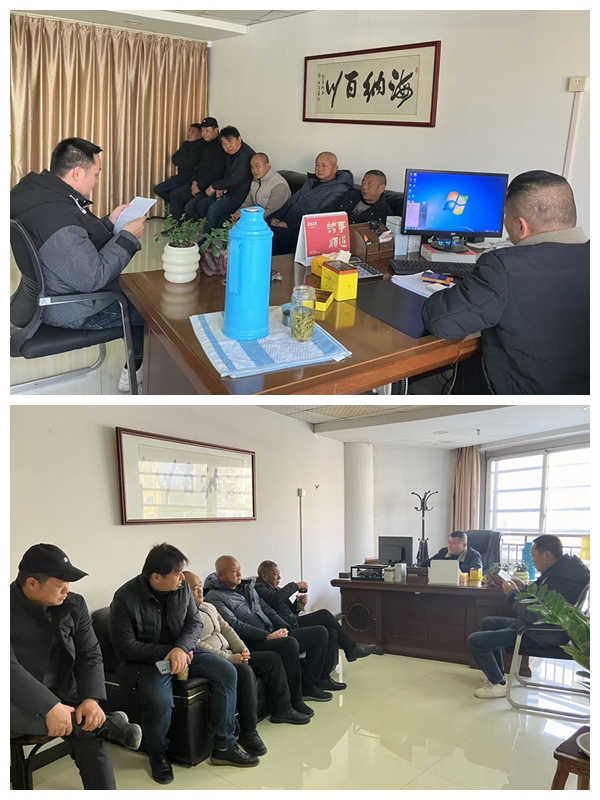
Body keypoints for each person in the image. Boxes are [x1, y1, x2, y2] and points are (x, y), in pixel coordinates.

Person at [421, 170, 590, 395]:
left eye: (506, 217)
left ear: (521, 226)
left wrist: (472, 281)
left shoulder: (504, 267)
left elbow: (440, 321)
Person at [110, 544, 259, 785]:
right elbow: (125, 647)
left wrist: (181, 648)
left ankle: (224, 745)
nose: (182, 579)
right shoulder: (125, 598)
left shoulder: (181, 590)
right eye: (178, 574)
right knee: (160, 700)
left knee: (227, 672)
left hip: (186, 652)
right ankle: (158, 753)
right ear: (156, 577)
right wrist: (170, 652)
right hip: (147, 662)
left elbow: (194, 623)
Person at [10, 137, 147, 393]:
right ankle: (136, 370)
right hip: (72, 307)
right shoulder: (57, 218)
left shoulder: (40, 194)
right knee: (150, 311)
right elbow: (93, 277)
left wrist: (110, 223)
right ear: (76, 173)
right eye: (96, 174)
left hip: (53, 289)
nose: (96, 181)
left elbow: (76, 245)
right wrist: (128, 237)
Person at [11, 544, 143, 790]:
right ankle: (109, 724)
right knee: (87, 726)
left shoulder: (74, 604)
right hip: (15, 699)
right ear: (32, 583)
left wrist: (91, 699)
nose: (67, 590)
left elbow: (89, 654)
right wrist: (50, 706)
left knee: (88, 728)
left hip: (65, 690)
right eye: (60, 585)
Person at [468, 535, 589, 699]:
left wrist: (513, 595)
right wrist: (524, 588)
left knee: (475, 641)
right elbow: (541, 602)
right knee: (489, 622)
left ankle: (498, 684)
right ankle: (497, 675)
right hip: (541, 627)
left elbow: (535, 615)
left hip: (539, 633)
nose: (532, 560)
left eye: (533, 556)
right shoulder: (562, 573)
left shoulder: (560, 582)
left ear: (547, 555)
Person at [184, 572, 310, 729]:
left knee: (272, 659)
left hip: (234, 651)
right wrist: (231, 658)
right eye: (194, 588)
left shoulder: (209, 606)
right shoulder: (188, 613)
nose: (200, 590)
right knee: (246, 669)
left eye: (200, 586)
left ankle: (283, 709)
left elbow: (227, 629)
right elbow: (198, 644)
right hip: (217, 659)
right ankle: (248, 731)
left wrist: (241, 648)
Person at [204, 556, 332, 708]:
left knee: (320, 633)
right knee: (289, 643)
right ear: (221, 575)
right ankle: (295, 700)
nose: (239, 574)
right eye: (234, 571)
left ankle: (309, 685)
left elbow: (267, 609)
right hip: (253, 641)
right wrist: (267, 636)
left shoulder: (248, 587)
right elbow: (235, 625)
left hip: (272, 633)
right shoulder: (214, 597)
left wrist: (285, 627)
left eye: (239, 569)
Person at [255, 561, 377, 691]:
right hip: (286, 627)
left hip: (293, 621)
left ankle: (323, 678)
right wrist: (294, 585)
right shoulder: (259, 588)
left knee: (331, 631)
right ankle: (351, 648)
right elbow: (275, 599)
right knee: (325, 615)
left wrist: (299, 604)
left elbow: (291, 611)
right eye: (275, 575)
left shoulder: (276, 589)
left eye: (279, 574)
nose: (279, 578)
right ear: (265, 576)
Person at [266, 152, 354, 255]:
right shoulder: (311, 182)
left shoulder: (339, 189)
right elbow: (291, 202)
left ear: (335, 168)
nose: (319, 169)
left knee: (268, 235)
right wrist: (275, 217)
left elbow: (319, 214)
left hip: (303, 231)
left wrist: (288, 225)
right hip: (285, 223)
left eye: (324, 165)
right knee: (259, 226)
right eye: (317, 165)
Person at [188, 126, 255, 233]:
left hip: (241, 194)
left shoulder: (246, 155)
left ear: (239, 139)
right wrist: (221, 187)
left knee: (213, 208)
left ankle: (208, 239)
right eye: (224, 143)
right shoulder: (232, 153)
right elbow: (227, 173)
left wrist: (215, 186)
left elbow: (235, 179)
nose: (227, 146)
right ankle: (214, 232)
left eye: (230, 141)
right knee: (202, 204)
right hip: (229, 190)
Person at [168, 117, 227, 221]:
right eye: (203, 131)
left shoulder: (220, 146)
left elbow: (216, 172)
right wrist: (194, 181)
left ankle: (203, 226)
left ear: (216, 130)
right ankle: (177, 226)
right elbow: (198, 166)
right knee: (175, 194)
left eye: (207, 131)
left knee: (190, 207)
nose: (204, 134)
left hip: (211, 187)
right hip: (199, 183)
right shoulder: (202, 144)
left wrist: (199, 187)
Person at [229, 153, 291, 223]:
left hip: (270, 221)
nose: (254, 170)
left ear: (267, 166)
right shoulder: (256, 181)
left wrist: (245, 217)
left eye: (257, 166)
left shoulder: (279, 185)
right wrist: (238, 213)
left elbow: (270, 213)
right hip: (255, 217)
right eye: (252, 167)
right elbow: (249, 202)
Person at [153, 123, 204, 205]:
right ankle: (179, 206)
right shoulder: (186, 144)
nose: (189, 134)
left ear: (200, 135)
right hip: (181, 176)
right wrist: (185, 161)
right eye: (189, 131)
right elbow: (175, 159)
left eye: (193, 132)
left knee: (175, 194)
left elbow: (192, 163)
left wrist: (183, 161)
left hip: (191, 179)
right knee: (158, 189)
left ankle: (179, 207)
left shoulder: (201, 146)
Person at [323, 170, 393, 224]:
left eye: (370, 184)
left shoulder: (384, 213)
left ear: (381, 188)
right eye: (363, 182)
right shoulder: (350, 195)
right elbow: (326, 211)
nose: (364, 187)